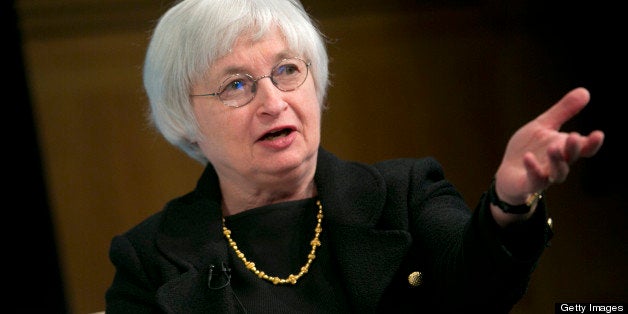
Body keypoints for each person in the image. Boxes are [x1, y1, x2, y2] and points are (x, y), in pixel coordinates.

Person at [104, 0, 605, 313]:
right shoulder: (148, 260)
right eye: (236, 84)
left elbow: (477, 286)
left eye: (286, 70)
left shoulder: (405, 194)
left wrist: (509, 203)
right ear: (185, 121)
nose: (274, 101)